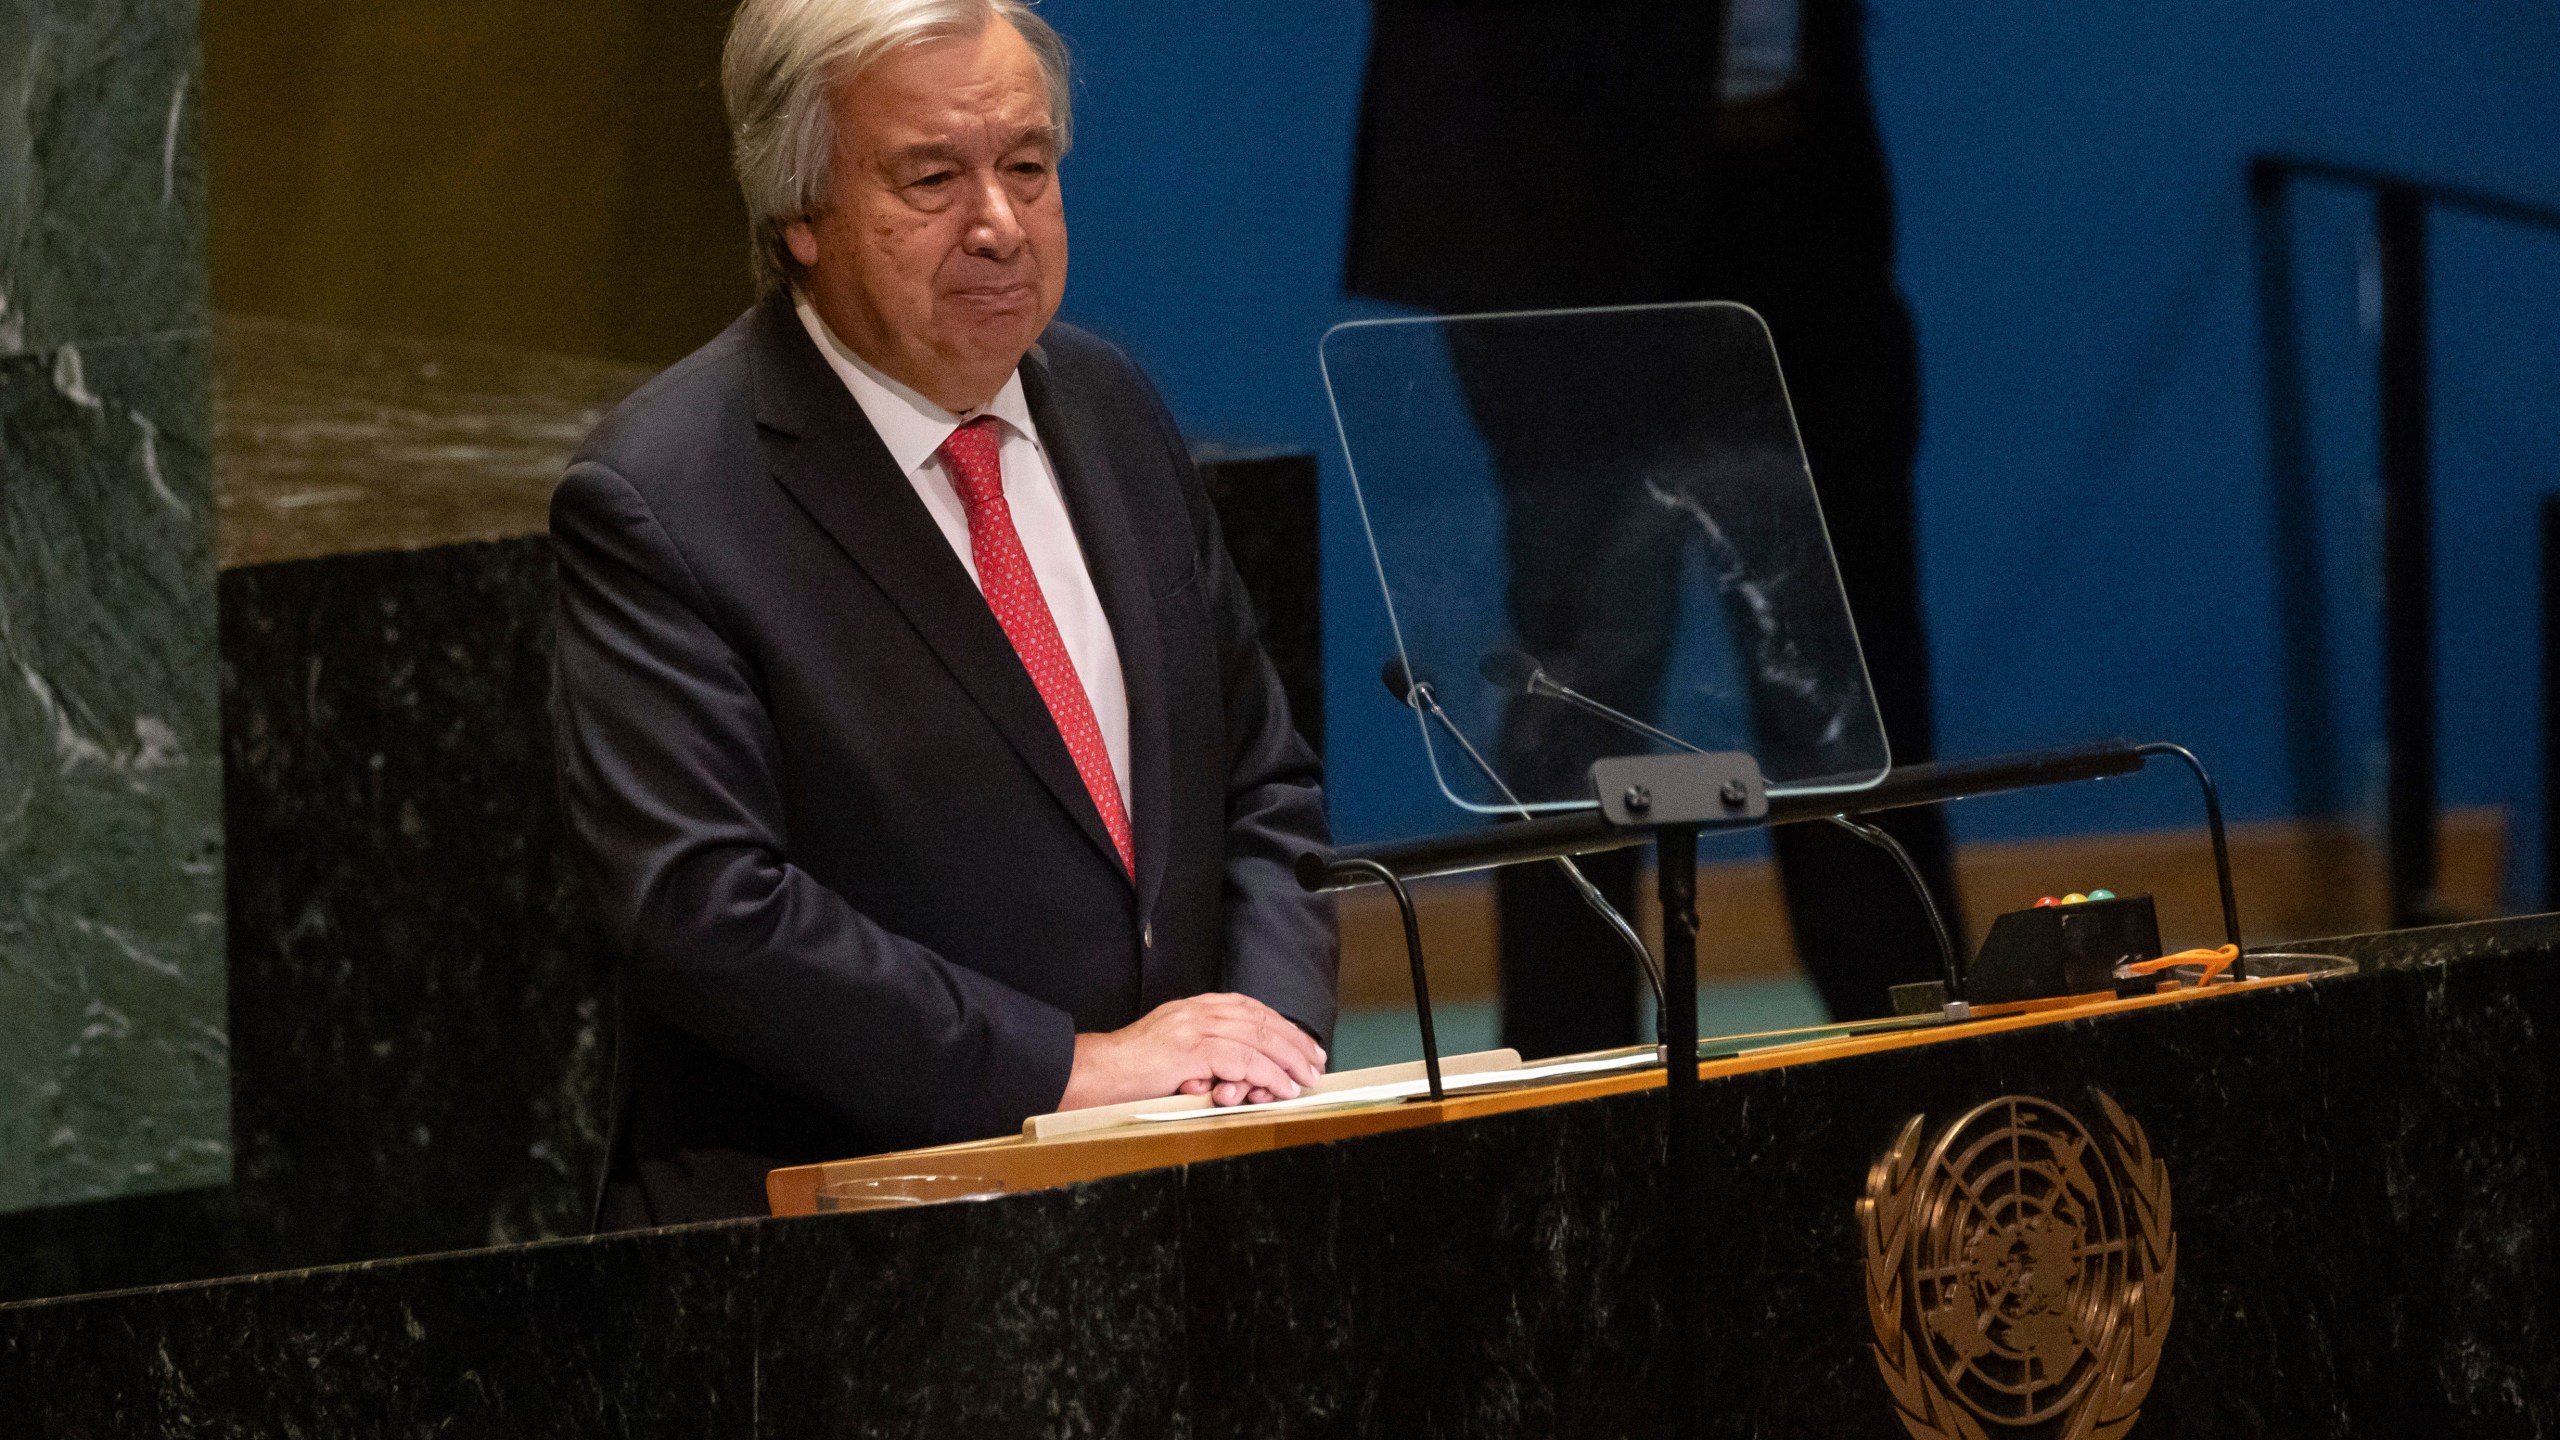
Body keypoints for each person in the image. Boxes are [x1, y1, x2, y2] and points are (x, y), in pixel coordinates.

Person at [551, 0, 1337, 1226]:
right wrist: (1065, 1071)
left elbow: (1261, 781)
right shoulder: (664, 496)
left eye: (1027, 167)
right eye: (931, 178)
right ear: (798, 213)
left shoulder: (1110, 401)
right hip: (845, 1251)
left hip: (1181, 1201)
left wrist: (1265, 1046)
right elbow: (703, 908)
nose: (998, 225)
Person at [1345, 0, 1958, 1051]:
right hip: (1556, 211)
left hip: (1800, 198)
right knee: (1582, 673)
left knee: (1849, 674)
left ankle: (1924, 1076)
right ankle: (1573, 1103)